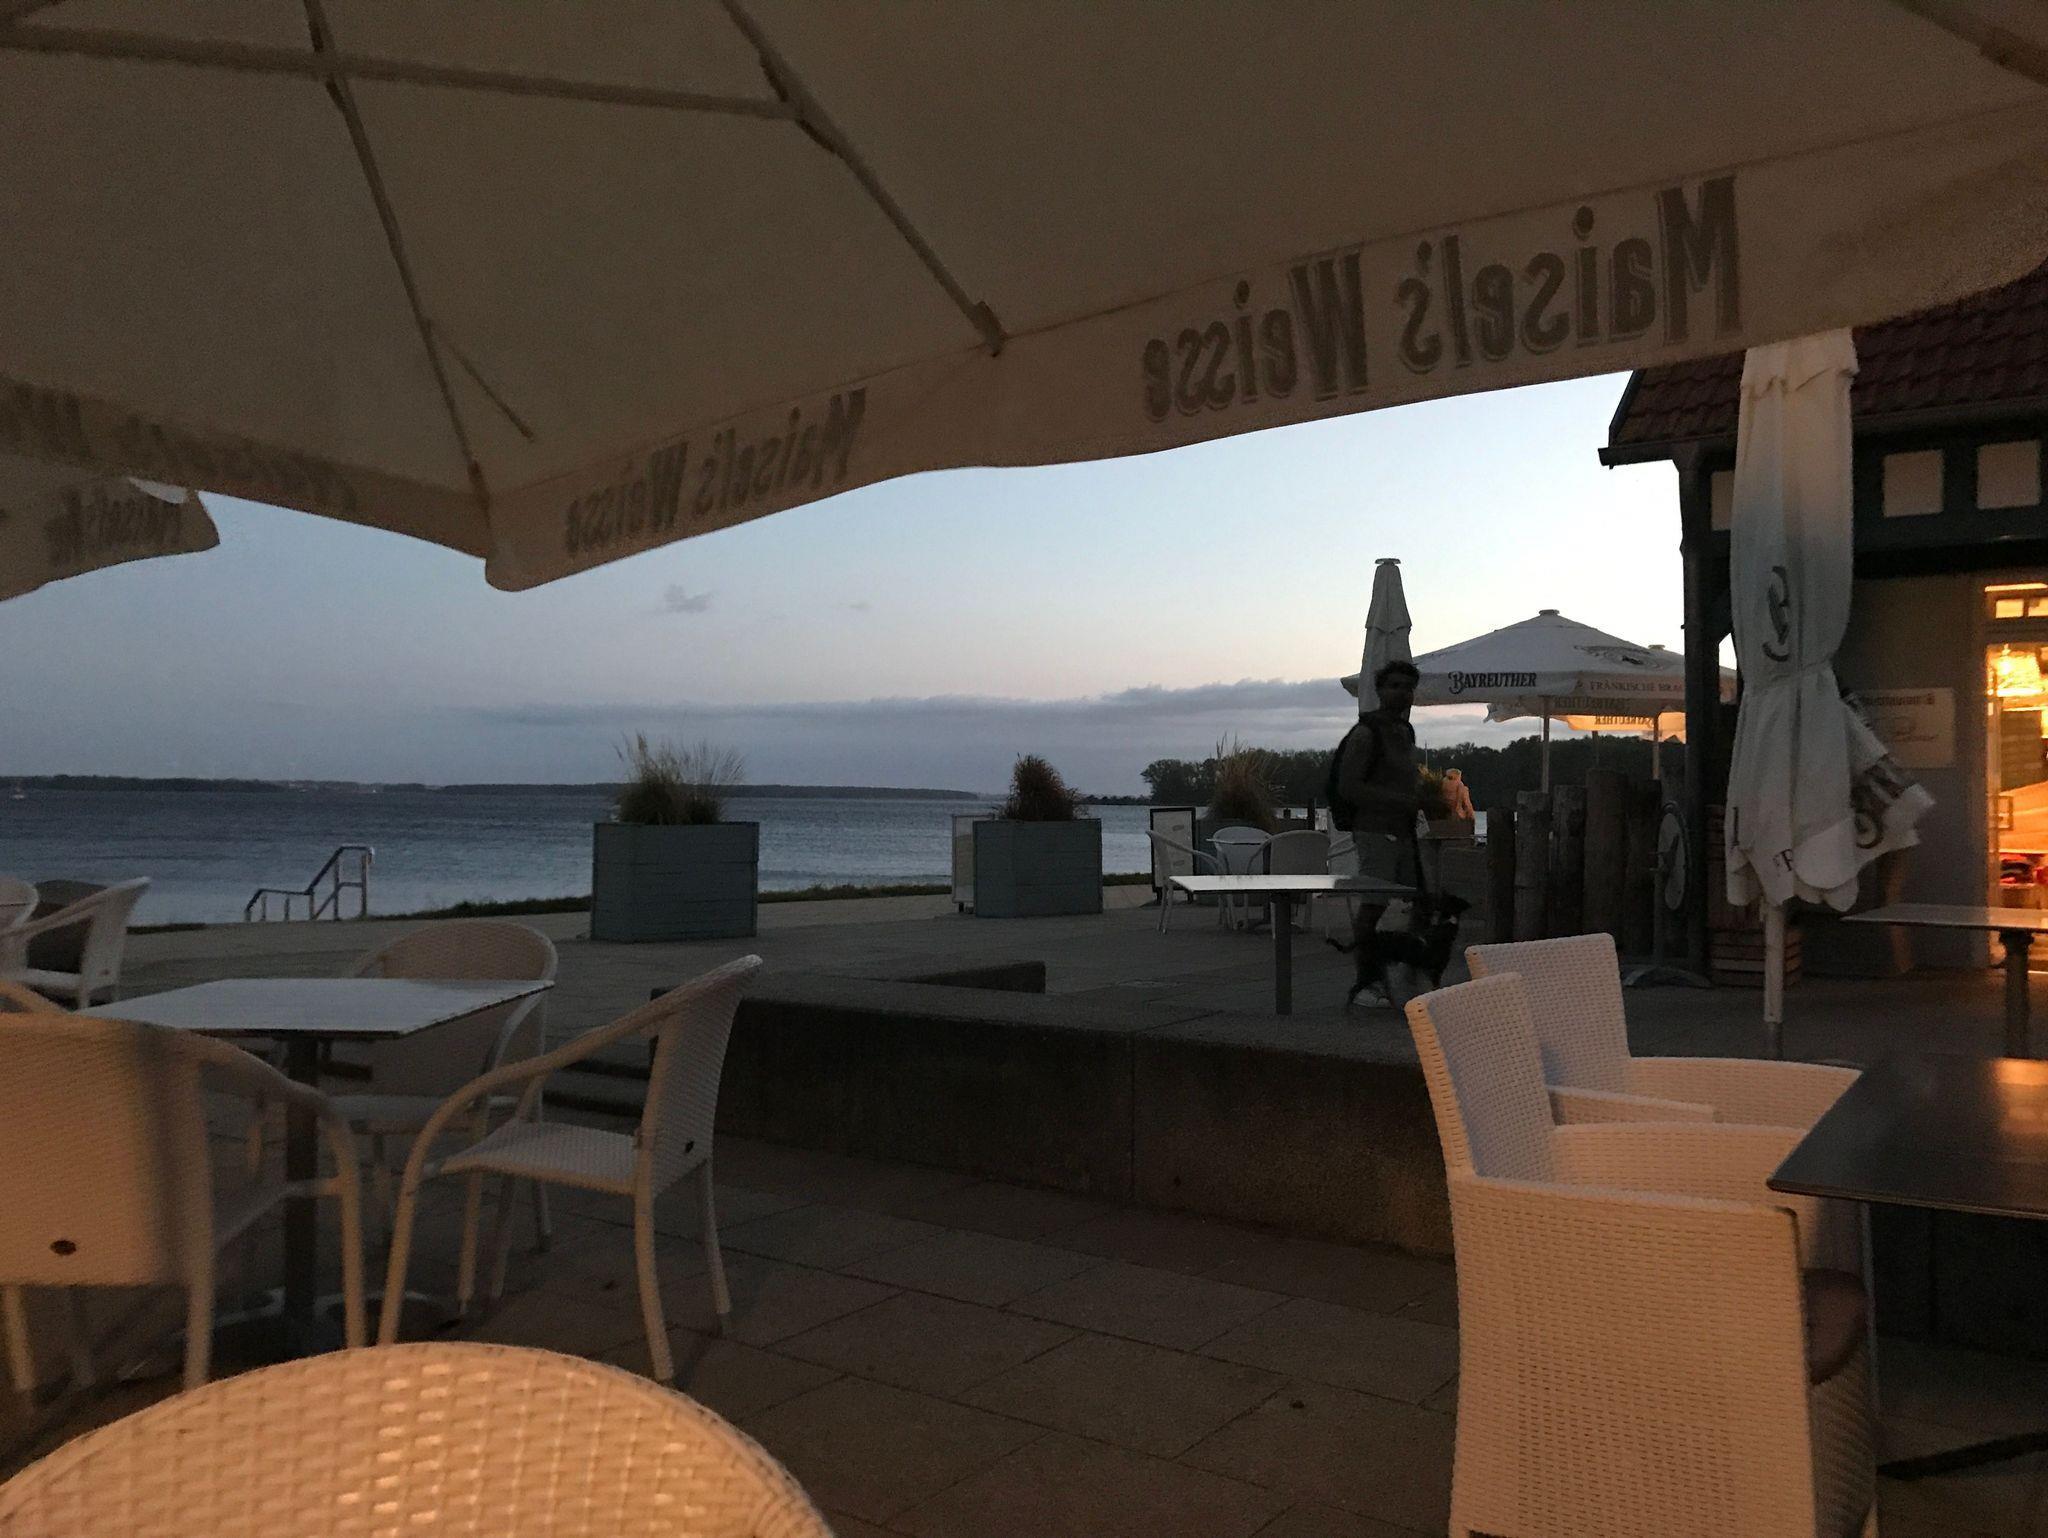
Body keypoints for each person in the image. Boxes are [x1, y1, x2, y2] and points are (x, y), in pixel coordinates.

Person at [1335, 658, 1422, 1005]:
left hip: (1403, 832)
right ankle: (1366, 981)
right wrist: (1400, 800)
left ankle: (1408, 971)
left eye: (1408, 687)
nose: (1402, 693)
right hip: (1374, 831)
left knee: (1422, 900)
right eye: (1395, 686)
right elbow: (1349, 787)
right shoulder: (1366, 733)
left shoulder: (1405, 731)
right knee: (1373, 905)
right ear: (1380, 691)